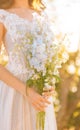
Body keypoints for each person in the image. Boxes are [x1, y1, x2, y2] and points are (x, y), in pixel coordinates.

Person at [0, 0, 57, 130]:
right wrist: (27, 92)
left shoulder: (43, 14)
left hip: (41, 95)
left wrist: (50, 81)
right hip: (15, 92)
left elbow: (49, 56)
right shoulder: (3, 15)